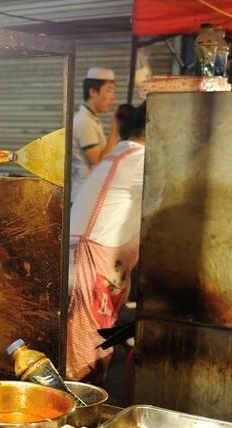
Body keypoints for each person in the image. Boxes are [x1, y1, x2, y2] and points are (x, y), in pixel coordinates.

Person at [65, 103, 146, 382]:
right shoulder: (140, 159)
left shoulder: (122, 152)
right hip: (91, 267)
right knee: (84, 361)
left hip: (94, 263)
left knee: (88, 354)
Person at [72, 67, 118, 196]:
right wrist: (115, 132)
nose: (113, 97)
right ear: (92, 92)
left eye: (114, 91)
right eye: (109, 90)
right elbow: (98, 162)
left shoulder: (91, 119)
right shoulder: (84, 122)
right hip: (82, 193)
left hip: (89, 190)